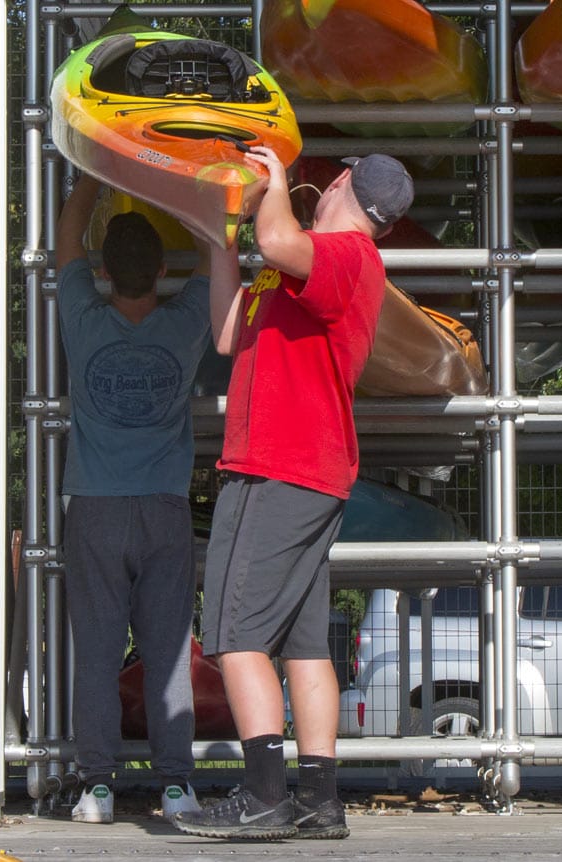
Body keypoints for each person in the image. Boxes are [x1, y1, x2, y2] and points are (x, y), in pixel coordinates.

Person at [172, 150, 414, 840]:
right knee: (305, 645)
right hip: (311, 469)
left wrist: (273, 178)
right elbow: (227, 333)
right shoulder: (310, 269)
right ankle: (317, 799)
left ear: (338, 185)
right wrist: (220, 243)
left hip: (279, 464)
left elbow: (277, 237)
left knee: (234, 634)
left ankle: (262, 795)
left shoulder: (342, 253)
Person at [54, 174, 214, 824]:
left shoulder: (81, 318)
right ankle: (177, 786)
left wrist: (96, 173)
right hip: (165, 509)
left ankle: (96, 788)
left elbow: (66, 236)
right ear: (161, 268)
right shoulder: (186, 322)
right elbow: (215, 247)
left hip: (94, 507)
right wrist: (189, 183)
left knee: (95, 655)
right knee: (169, 650)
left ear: (100, 268)